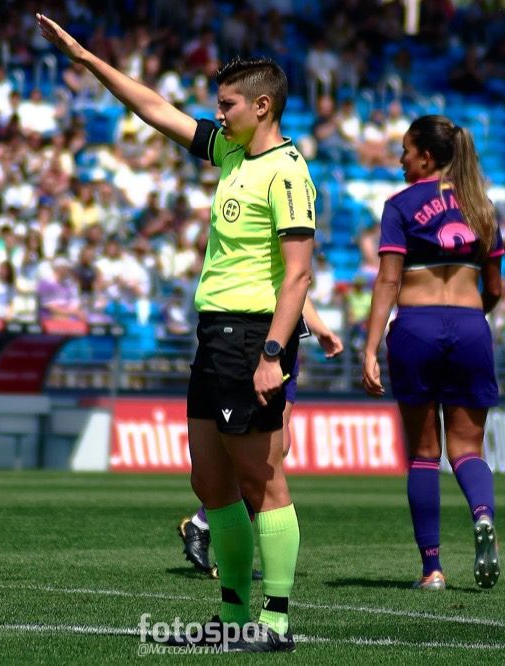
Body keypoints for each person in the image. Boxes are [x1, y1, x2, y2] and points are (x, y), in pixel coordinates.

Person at [38, 14, 313, 652]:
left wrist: (273, 354)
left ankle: (274, 622)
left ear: (262, 106)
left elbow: (298, 275)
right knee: (209, 482)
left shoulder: (287, 172)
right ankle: (233, 617)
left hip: (252, 336)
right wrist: (85, 58)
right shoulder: (232, 152)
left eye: (228, 104)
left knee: (262, 482)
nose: (217, 114)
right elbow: (154, 109)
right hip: (213, 333)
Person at [361, 115, 504, 591]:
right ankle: (482, 515)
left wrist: (370, 347)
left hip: (417, 328)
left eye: (405, 151)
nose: (400, 160)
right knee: (468, 450)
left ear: (425, 156)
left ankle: (432, 569)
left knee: (424, 454)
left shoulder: (400, 205)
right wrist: (468, 321)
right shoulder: (482, 207)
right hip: (470, 326)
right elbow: (495, 289)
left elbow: (388, 281)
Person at [177, 297, 343, 578]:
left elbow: (296, 290)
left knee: (277, 449)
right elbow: (291, 283)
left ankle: (203, 525)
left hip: (287, 348)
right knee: (251, 461)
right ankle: (211, 535)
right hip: (261, 344)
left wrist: (319, 329)